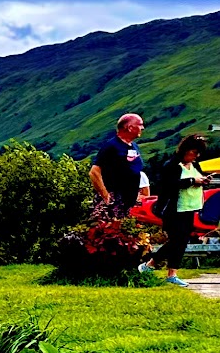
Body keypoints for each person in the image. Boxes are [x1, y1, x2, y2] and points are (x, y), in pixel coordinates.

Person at [154, 134, 212, 287]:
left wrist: (203, 181)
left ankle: (163, 269)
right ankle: (158, 267)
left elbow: (196, 180)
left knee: (181, 241)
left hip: (190, 208)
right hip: (174, 208)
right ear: (186, 150)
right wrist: (192, 181)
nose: (196, 156)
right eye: (194, 152)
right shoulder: (171, 165)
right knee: (177, 241)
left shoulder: (195, 165)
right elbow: (169, 185)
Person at [91, 113, 147, 212]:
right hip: (114, 200)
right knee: (108, 222)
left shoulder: (134, 146)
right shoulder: (111, 146)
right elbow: (94, 172)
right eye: (140, 125)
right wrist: (105, 195)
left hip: (129, 200)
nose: (143, 128)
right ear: (130, 128)